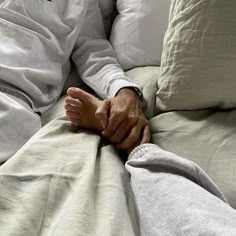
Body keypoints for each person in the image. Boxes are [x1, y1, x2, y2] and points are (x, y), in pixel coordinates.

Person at [0, 0, 150, 163]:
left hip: (12, 99)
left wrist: (125, 92)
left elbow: (95, 56)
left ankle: (104, 118)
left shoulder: (80, 4)